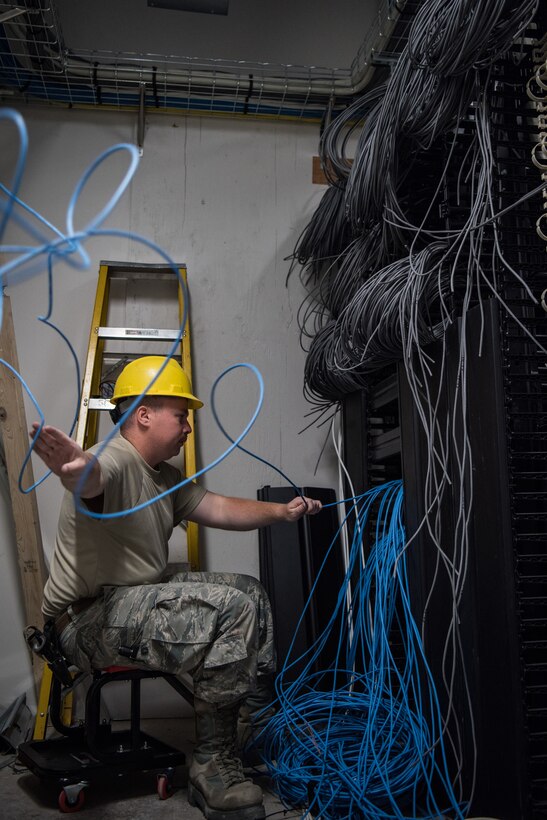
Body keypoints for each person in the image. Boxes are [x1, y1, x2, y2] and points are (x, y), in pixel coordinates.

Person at [30, 355, 322, 820]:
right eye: (180, 414)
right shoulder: (117, 459)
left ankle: (252, 729)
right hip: (82, 620)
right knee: (231, 607)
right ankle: (211, 767)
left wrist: (282, 513)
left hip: (128, 603)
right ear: (143, 414)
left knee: (250, 593)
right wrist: (72, 468)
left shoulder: (164, 478)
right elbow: (91, 478)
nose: (188, 426)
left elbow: (220, 508)